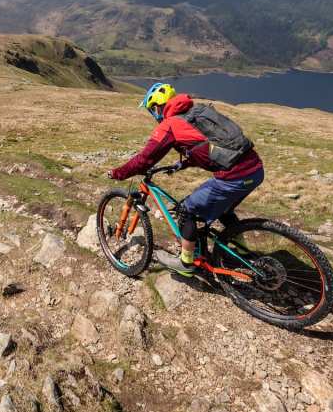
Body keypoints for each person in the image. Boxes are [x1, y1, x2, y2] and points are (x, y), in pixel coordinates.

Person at [107, 83, 264, 276]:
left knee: (185, 210)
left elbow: (145, 160)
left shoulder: (170, 124)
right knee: (224, 210)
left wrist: (118, 173)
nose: (153, 115)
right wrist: (183, 164)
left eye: (151, 110)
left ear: (157, 107)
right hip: (255, 169)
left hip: (234, 177)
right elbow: (208, 145)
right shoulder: (197, 111)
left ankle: (187, 262)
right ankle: (242, 251)